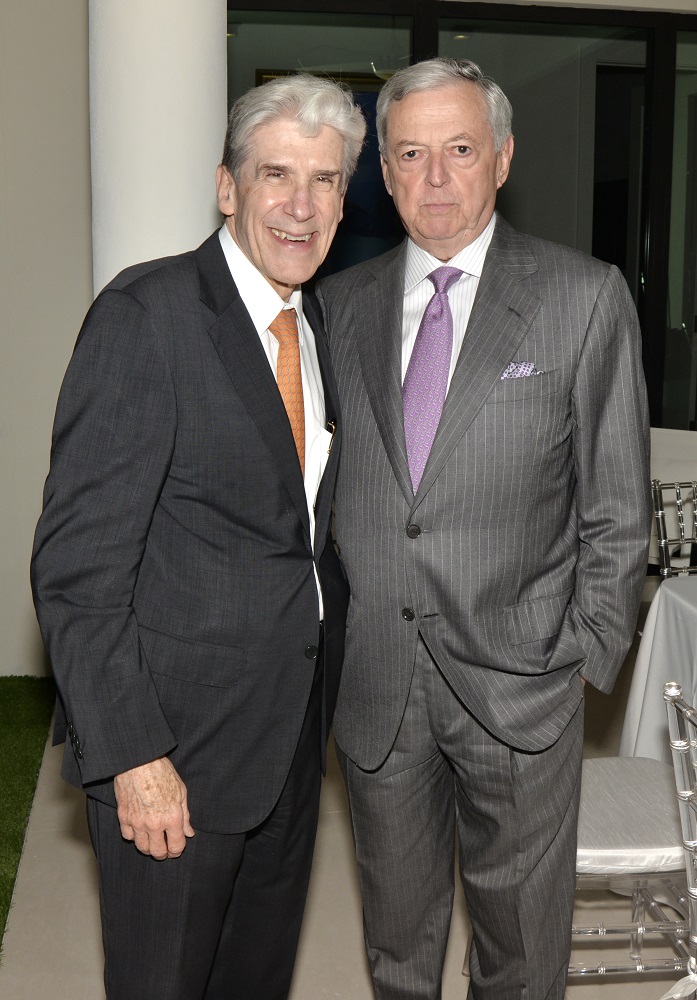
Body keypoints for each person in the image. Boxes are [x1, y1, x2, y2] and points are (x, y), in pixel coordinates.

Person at [315, 57, 651, 1000]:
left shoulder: (583, 299)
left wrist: (584, 655)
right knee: (395, 949)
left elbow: (619, 509)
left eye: (458, 150)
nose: (434, 178)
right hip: (380, 685)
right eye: (410, 153)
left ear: (500, 158)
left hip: (523, 687)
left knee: (519, 953)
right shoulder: (338, 306)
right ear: (382, 170)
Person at [31, 73, 365, 1000]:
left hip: (286, 745)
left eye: (327, 180)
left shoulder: (316, 322)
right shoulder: (149, 319)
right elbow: (75, 570)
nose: (301, 207)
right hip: (171, 755)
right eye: (277, 175)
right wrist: (134, 758)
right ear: (227, 187)